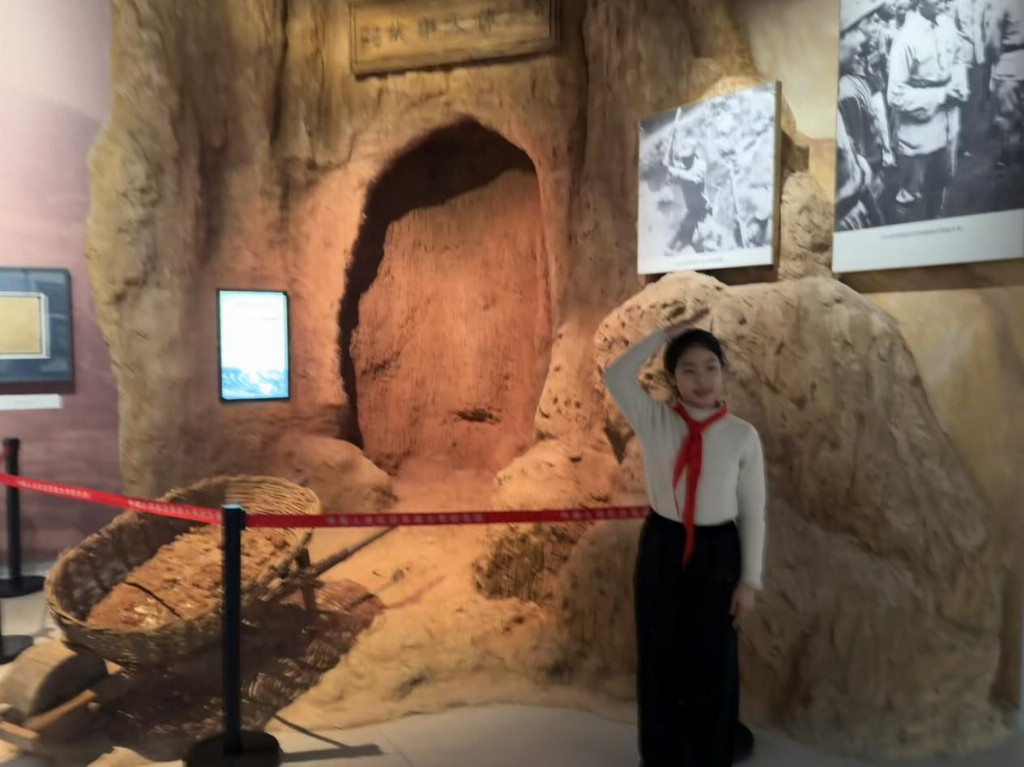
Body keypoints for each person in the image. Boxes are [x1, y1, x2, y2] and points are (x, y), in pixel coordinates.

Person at [603, 323, 767, 767]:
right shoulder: (654, 419)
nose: (701, 379)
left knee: (714, 658)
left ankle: (710, 751)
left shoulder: (742, 435)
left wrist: (749, 581)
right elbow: (616, 376)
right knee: (660, 653)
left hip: (719, 550)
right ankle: (661, 754)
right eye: (688, 369)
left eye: (710, 367)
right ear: (673, 377)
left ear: (724, 371)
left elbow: (754, 510)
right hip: (664, 544)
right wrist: (661, 336)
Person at [888, 0, 968, 218]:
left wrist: (959, 86)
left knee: (941, 182)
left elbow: (958, 58)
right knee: (910, 194)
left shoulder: (947, 24)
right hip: (918, 128)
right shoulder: (905, 37)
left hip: (949, 121)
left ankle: (935, 224)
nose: (944, 1)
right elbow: (895, 95)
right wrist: (941, 95)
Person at [953, 0, 994, 157]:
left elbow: (988, 27)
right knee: (961, 97)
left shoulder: (983, 3)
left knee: (975, 98)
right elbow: (951, 29)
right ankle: (958, 139)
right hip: (962, 57)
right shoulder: (957, 4)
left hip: (980, 56)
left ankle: (966, 136)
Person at [988, 0, 1024, 168]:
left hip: (1009, 63)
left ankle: (1005, 153)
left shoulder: (1002, 4)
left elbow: (993, 42)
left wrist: (995, 64)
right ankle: (1019, 149)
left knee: (1005, 113)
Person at [664, 134, 709, 253]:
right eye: (683, 158)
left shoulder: (700, 165)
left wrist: (673, 171)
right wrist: (669, 151)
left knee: (705, 244)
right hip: (692, 214)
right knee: (670, 248)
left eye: (687, 157)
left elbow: (694, 179)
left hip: (703, 214)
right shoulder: (682, 168)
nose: (684, 160)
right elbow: (671, 176)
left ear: (694, 154)